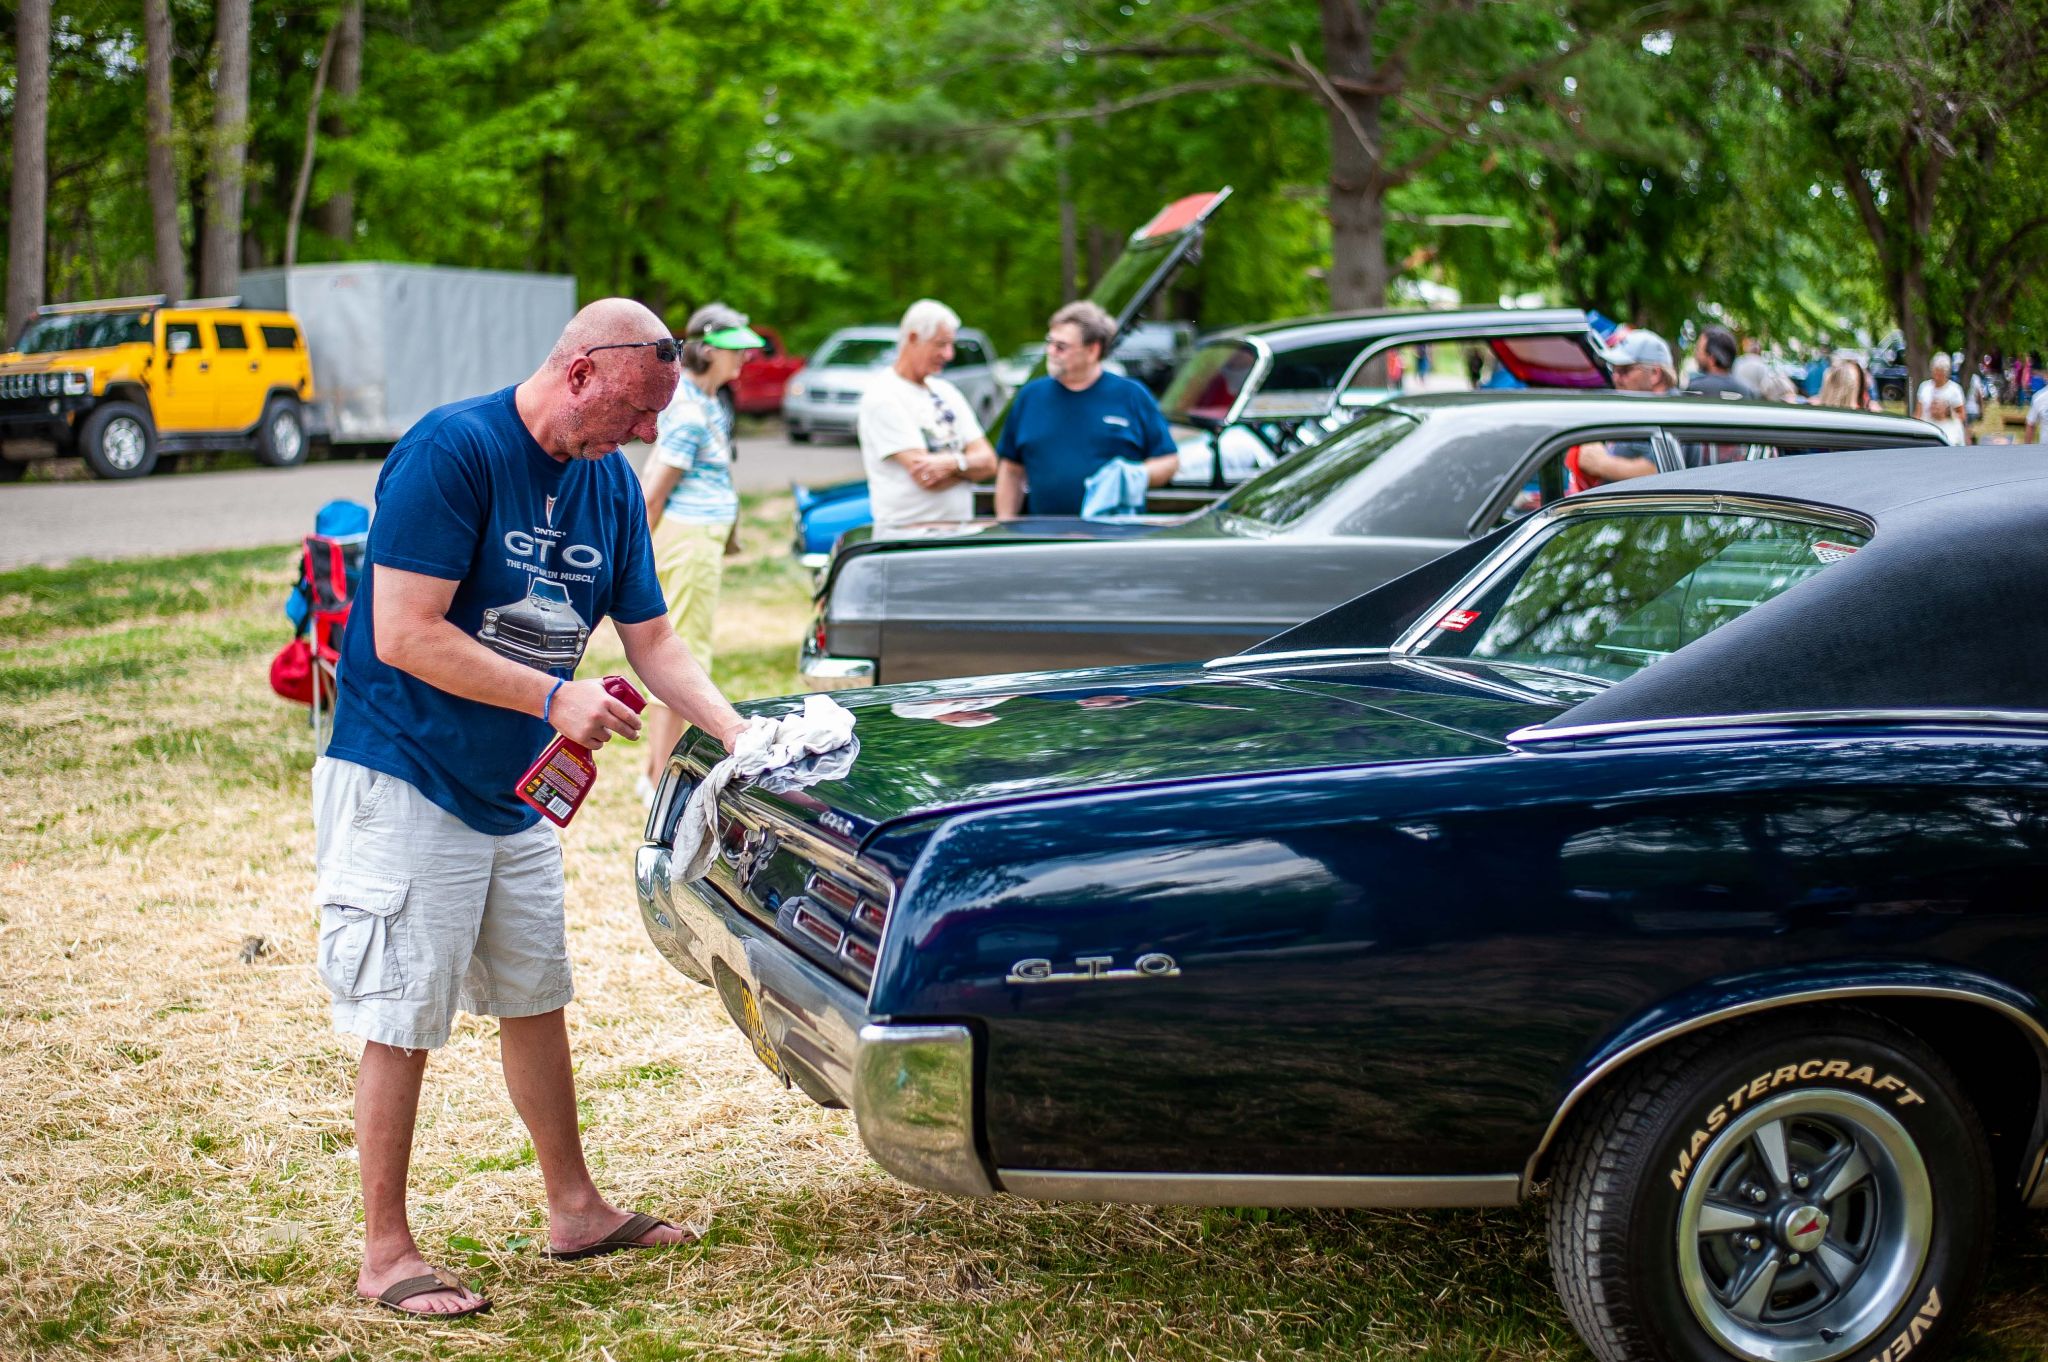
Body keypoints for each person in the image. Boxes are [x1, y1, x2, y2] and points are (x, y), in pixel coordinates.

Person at [316, 298, 747, 1319]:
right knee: (402, 1012)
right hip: (407, 767)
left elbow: (654, 643)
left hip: (513, 784)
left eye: (659, 418)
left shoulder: (604, 487)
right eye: (638, 411)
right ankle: (385, 1253)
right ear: (582, 372)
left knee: (532, 991)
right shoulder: (452, 451)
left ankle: (575, 1208)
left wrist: (744, 737)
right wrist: (554, 696)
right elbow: (402, 632)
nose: (647, 437)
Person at [637, 302, 762, 801]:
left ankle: (654, 770)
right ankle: (657, 781)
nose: (745, 358)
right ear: (707, 351)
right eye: (735, 349)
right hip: (686, 541)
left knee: (689, 647)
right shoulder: (688, 412)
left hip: (702, 539)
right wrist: (635, 565)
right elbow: (653, 492)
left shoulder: (708, 401)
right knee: (682, 655)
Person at [995, 301, 1179, 517]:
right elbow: (1011, 470)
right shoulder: (1031, 396)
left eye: (1061, 346)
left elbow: (1169, 461)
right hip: (1043, 538)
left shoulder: (1131, 395)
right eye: (1050, 342)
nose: (1050, 351)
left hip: (1112, 539)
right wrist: (1005, 525)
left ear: (1093, 350)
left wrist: (1131, 476)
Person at [856, 299, 998, 532]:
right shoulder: (883, 395)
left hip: (957, 535)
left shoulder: (946, 392)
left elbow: (990, 463)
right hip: (909, 539)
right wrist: (969, 468)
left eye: (951, 344)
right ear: (913, 338)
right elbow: (928, 478)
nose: (949, 354)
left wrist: (951, 463)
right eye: (941, 344)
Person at [1573, 328, 1678, 486]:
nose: (1615, 378)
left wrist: (1601, 463)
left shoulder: (1672, 413)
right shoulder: (1648, 411)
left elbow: (1657, 472)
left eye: (1624, 370)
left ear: (1655, 374)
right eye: (1613, 369)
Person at [1686, 325, 1752, 400]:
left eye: (1699, 349)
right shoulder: (1746, 391)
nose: (1696, 354)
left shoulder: (1696, 389)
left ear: (1712, 359)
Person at [1916, 352, 1968, 443]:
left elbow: (1962, 415)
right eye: (1935, 372)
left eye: (1940, 374)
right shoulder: (1924, 387)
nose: (1937, 377)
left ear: (1946, 373)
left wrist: (1947, 413)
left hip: (1948, 432)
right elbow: (1918, 414)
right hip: (1928, 429)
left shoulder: (1954, 389)